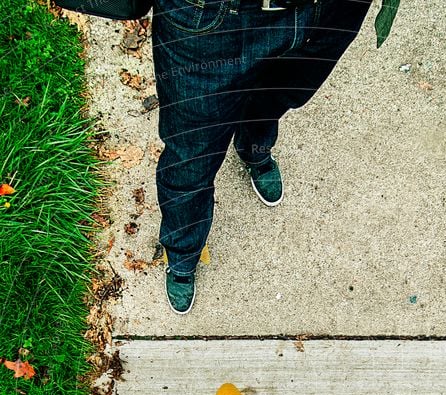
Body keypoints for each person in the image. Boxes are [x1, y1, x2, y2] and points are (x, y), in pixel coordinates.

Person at [152, 0, 399, 314]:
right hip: (213, 17)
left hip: (331, 9)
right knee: (192, 155)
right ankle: (182, 258)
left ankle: (254, 148)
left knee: (278, 96)